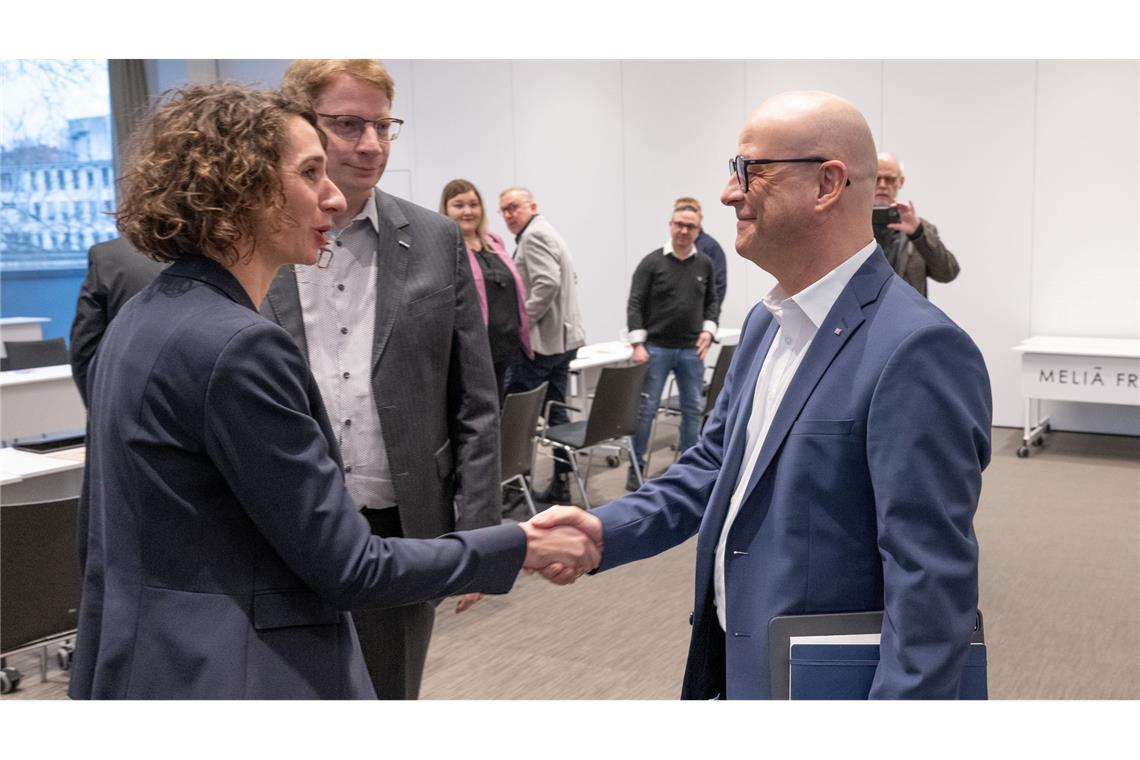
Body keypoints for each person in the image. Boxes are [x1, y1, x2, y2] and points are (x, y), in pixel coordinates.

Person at [69, 82, 599, 700]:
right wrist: (518, 543)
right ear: (243, 187)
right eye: (312, 171)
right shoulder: (241, 346)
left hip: (144, 662)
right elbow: (350, 568)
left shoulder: (142, 317)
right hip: (239, 674)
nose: (332, 193)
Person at [533, 90, 993, 699]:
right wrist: (602, 531)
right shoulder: (765, 323)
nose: (729, 192)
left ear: (827, 184)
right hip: (741, 667)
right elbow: (714, 467)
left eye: (751, 171)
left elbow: (930, 589)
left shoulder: (917, 349)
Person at [263, 60, 500, 698]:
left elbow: (476, 398)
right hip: (281, 518)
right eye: (347, 125)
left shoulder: (435, 238)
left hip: (401, 522)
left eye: (382, 126)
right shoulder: (259, 240)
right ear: (302, 128)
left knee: (389, 694)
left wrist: (477, 534)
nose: (370, 145)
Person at [499, 186, 587, 505]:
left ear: (532, 206)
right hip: (562, 342)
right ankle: (561, 484)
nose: (509, 215)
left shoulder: (534, 236)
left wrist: (521, 323)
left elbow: (547, 283)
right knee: (557, 412)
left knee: (517, 418)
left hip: (542, 345)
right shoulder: (547, 231)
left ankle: (512, 489)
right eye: (504, 210)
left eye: (514, 207)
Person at [625, 202, 720, 490]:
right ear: (670, 225)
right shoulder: (652, 263)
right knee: (647, 410)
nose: (683, 230)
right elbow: (635, 303)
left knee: (693, 409)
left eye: (690, 226)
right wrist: (637, 343)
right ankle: (636, 466)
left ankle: (691, 466)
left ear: (698, 230)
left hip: (691, 349)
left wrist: (708, 331)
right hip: (655, 349)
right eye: (679, 224)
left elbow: (711, 301)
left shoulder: (704, 263)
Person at [439, 178, 531, 403]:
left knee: (512, 416)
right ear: (446, 210)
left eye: (473, 204)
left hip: (510, 348)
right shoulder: (445, 248)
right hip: (477, 354)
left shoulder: (494, 243)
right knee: (486, 415)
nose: (468, 211)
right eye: (459, 205)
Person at [68, 237, 165, 406]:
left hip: (127, 402)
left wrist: (97, 409)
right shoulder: (216, 251)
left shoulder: (110, 256)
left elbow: (85, 345)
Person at [873, 152, 960, 297]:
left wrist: (918, 234)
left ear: (900, 182)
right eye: (876, 179)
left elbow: (948, 273)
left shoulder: (920, 229)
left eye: (889, 179)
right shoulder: (851, 227)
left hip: (906, 317)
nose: (882, 185)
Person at [674, 196, 727, 308]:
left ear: (699, 217)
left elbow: (719, 286)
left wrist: (708, 318)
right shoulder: (673, 249)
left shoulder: (710, 247)